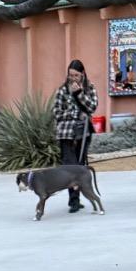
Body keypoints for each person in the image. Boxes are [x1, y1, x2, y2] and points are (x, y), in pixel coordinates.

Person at [52, 59, 99, 213]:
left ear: (82, 74)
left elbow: (92, 107)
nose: (73, 78)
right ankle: (73, 201)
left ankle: (77, 199)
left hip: (83, 133)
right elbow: (56, 112)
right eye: (71, 75)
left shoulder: (90, 88)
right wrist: (74, 114)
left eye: (76, 75)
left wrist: (79, 93)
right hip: (66, 133)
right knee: (69, 167)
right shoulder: (62, 90)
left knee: (79, 166)